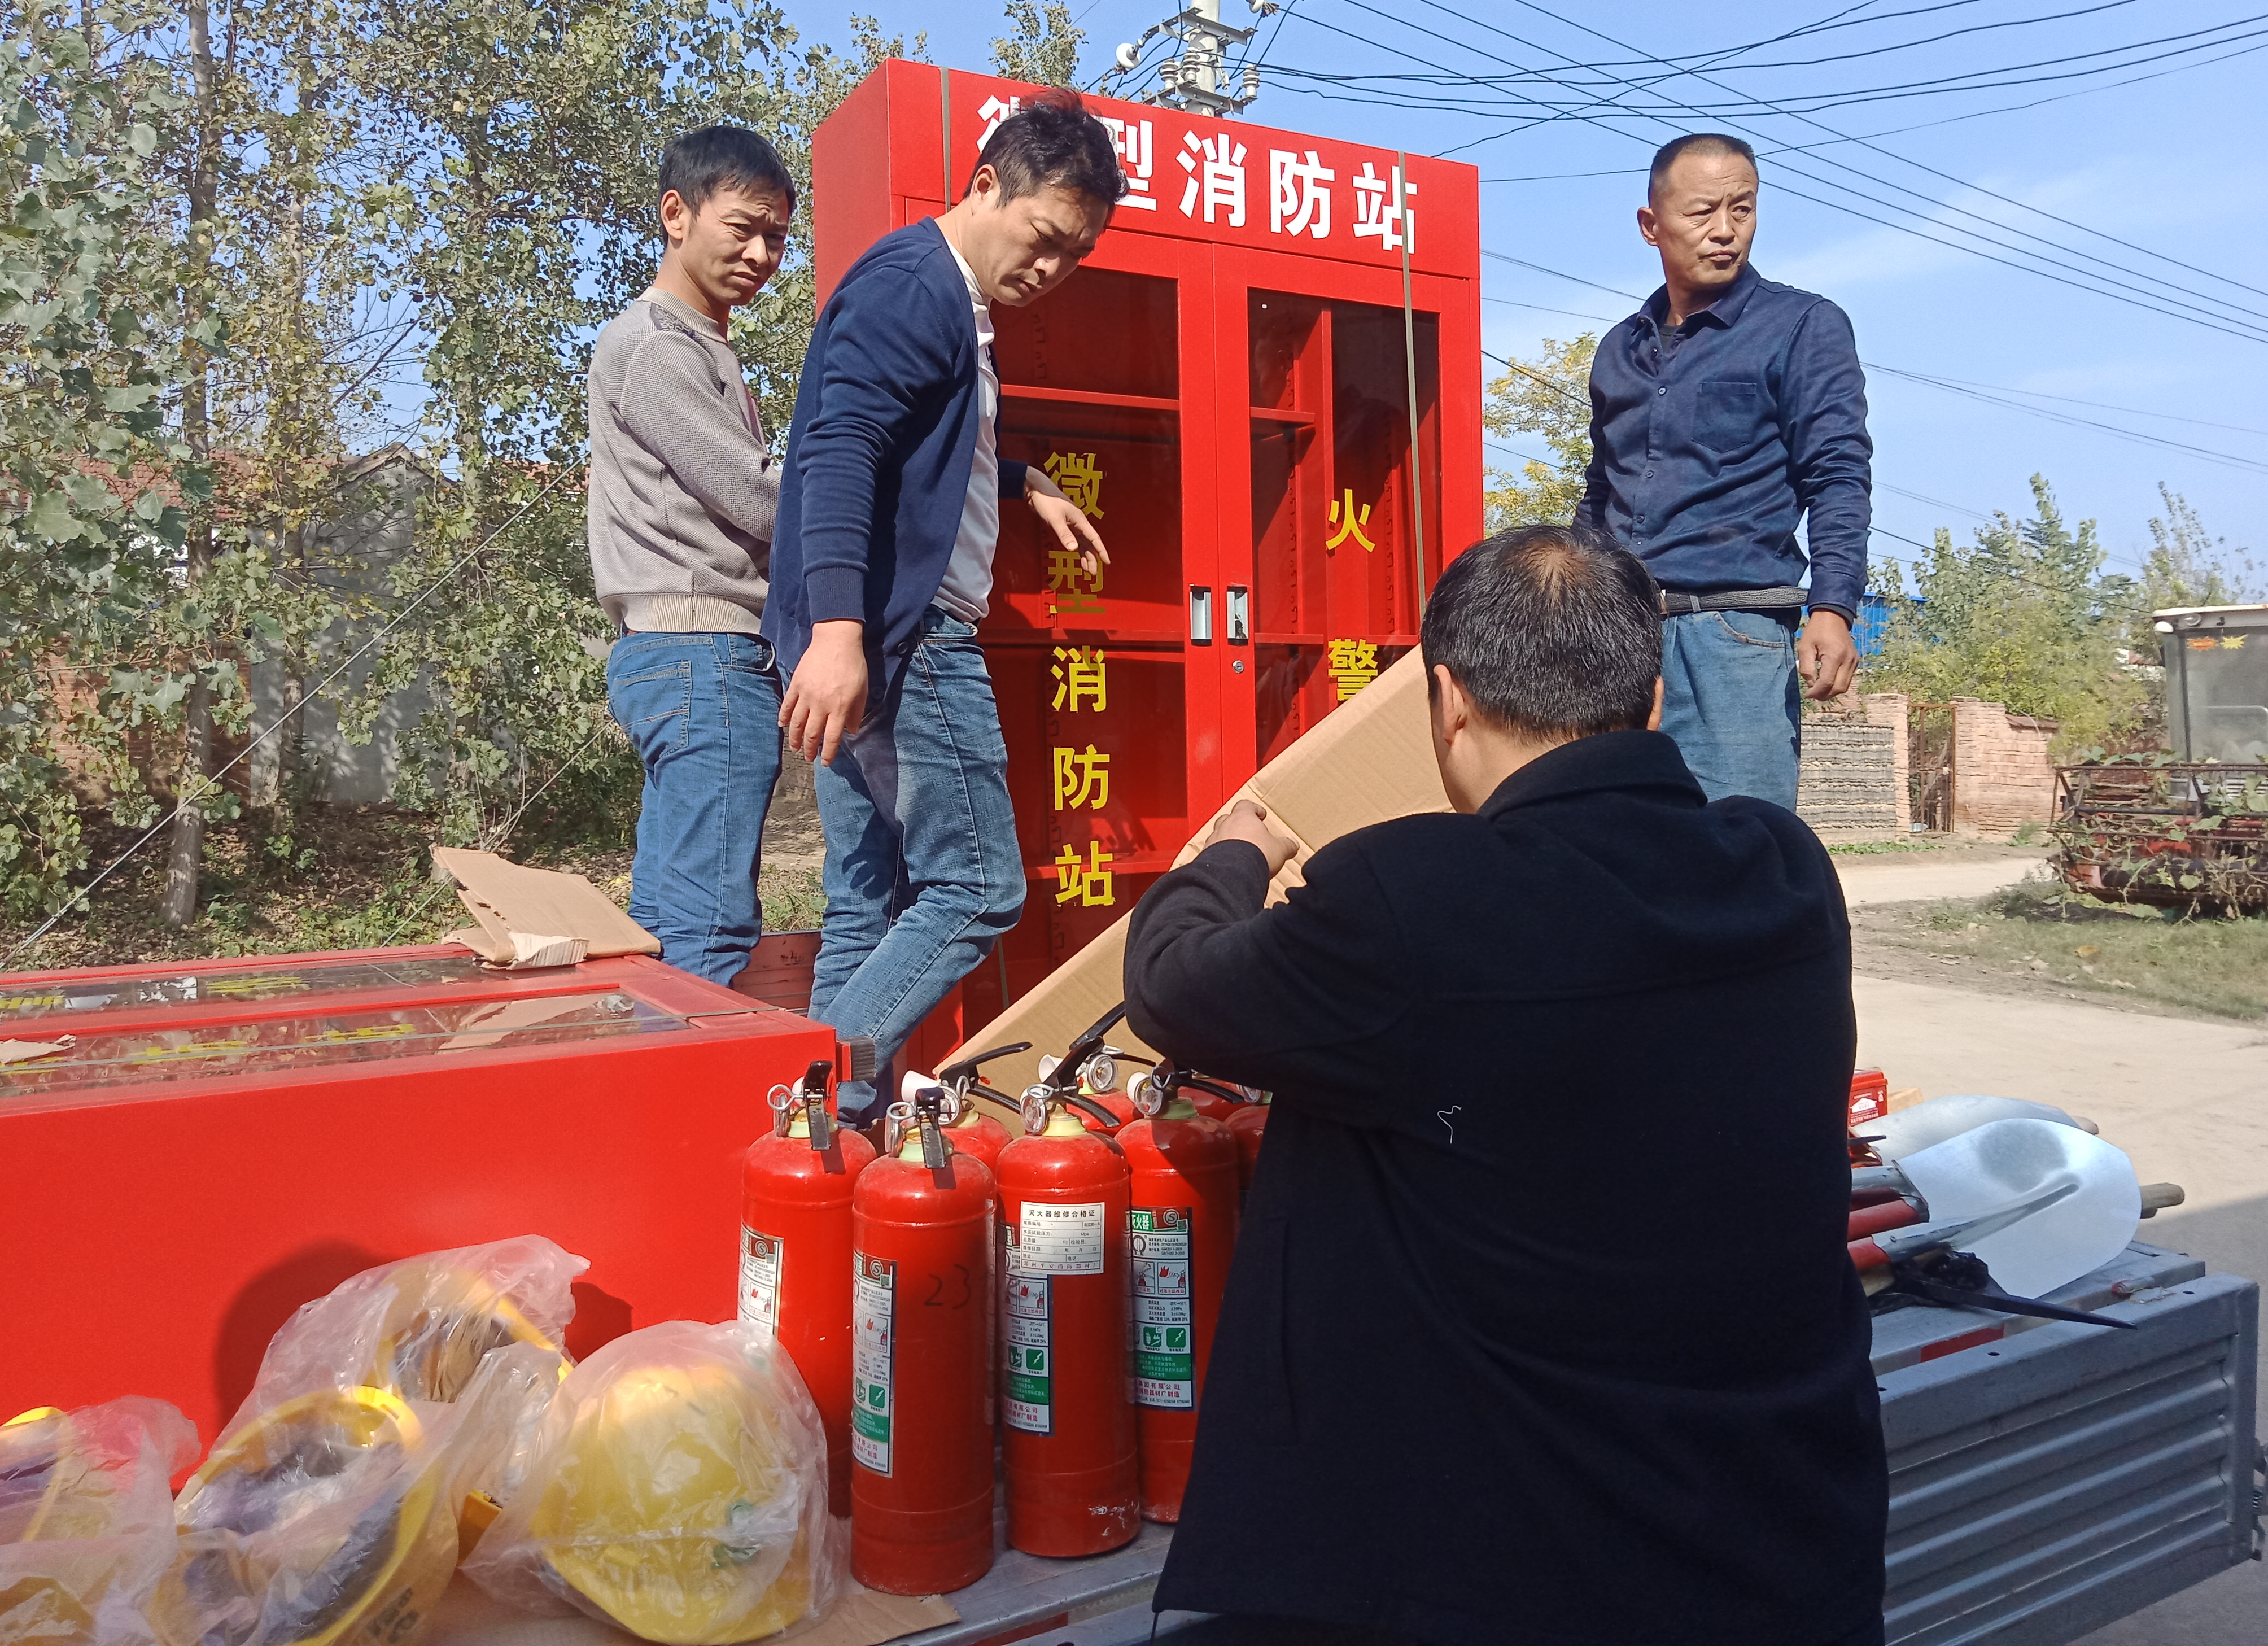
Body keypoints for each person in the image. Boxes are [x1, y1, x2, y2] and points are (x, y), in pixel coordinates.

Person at [1124, 525, 1887, 1646]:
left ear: (1448, 701)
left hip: (1518, 1578)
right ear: (1654, 703)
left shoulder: (1415, 897)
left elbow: (1170, 985)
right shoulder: (1786, 869)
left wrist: (1238, 850)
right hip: (1792, 1554)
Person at [764, 89, 1118, 1110]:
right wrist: (842, 633)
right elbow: (839, 452)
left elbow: (916, 448)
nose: (1052, 270)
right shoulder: (917, 288)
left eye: (1076, 255)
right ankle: (807, 1095)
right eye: (1044, 238)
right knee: (978, 888)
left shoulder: (943, 296)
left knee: (865, 898)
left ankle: (825, 1138)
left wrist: (1022, 481)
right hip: (904, 640)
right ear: (985, 185)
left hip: (871, 638)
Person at [1575, 131, 1873, 809]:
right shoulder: (1618, 349)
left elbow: (1836, 473)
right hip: (1621, 641)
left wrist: (1832, 608)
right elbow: (1600, 492)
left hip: (1734, 636)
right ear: (1651, 224)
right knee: (1616, 840)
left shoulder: (1801, 326)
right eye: (1701, 211)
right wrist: (1570, 605)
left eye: (1741, 209)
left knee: (1740, 844)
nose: (1724, 230)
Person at [588, 124, 796, 987]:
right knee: (708, 927)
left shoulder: (695, 342)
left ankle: (650, 1061)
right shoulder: (658, 345)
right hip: (703, 653)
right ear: (676, 214)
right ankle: (690, 1072)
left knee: (672, 922)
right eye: (742, 229)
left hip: (686, 657)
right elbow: (761, 498)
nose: (760, 255)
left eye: (777, 237)